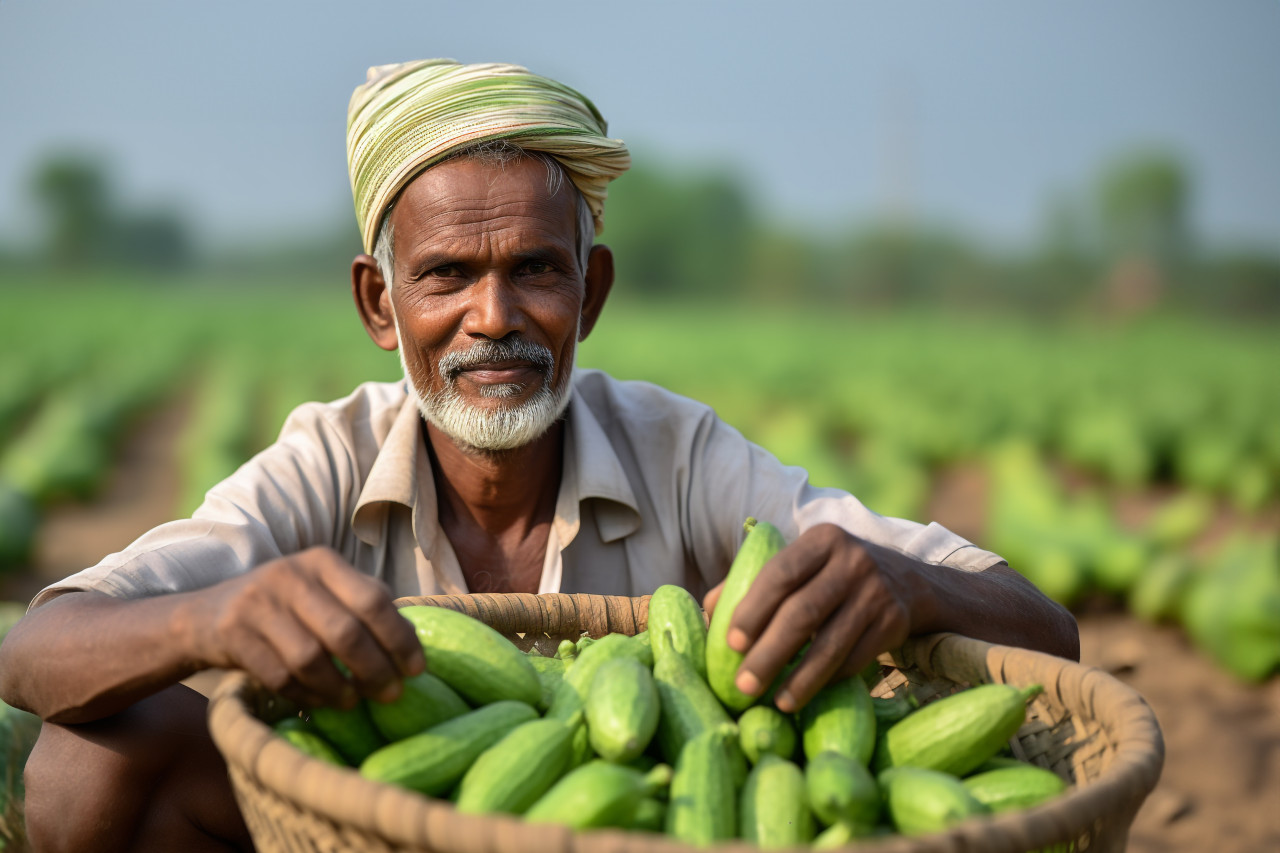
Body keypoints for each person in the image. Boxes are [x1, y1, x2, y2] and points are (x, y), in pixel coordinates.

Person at [0, 59, 1077, 851]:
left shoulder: (680, 453)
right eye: (444, 276)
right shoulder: (327, 458)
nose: (492, 317)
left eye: (534, 270)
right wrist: (208, 617)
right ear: (380, 304)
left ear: (590, 293)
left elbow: (1046, 628)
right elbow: (38, 649)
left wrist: (900, 581)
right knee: (93, 765)